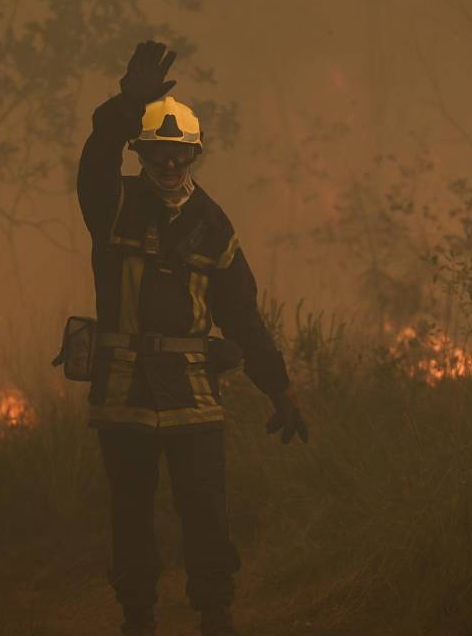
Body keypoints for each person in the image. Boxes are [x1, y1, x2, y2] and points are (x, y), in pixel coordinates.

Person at [77, 41, 309, 636]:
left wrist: (278, 387)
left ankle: (215, 614)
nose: (169, 161)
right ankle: (138, 617)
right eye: (157, 150)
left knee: (205, 511)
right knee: (131, 514)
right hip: (124, 395)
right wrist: (126, 107)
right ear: (141, 153)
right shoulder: (112, 204)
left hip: (193, 398)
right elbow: (97, 157)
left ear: (195, 155)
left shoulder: (214, 225)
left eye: (180, 152)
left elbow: (243, 317)